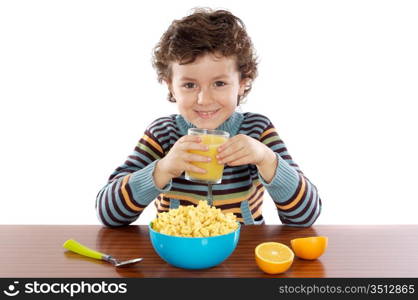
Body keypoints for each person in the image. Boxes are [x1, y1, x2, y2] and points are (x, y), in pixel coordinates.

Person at [96, 8, 322, 227]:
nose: (204, 99)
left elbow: (305, 217)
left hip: (241, 254)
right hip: (178, 254)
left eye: (220, 83)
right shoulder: (162, 134)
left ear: (243, 83)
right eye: (189, 85)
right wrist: (161, 169)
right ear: (171, 87)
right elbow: (108, 214)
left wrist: (266, 159)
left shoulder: (258, 130)